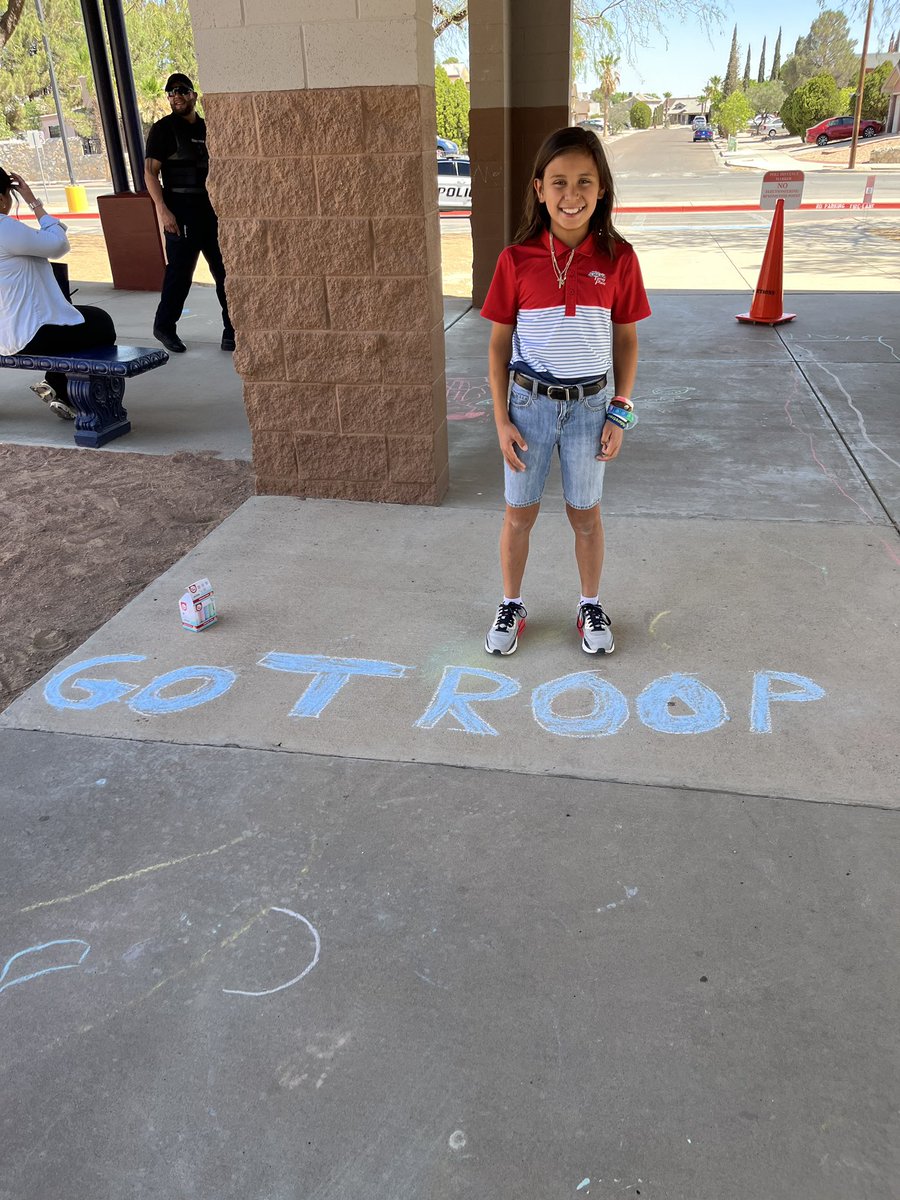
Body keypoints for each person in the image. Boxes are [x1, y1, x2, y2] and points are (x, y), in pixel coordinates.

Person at [480, 126, 651, 657]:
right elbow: (497, 347)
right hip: (529, 406)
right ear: (538, 189)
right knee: (519, 513)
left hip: (591, 408)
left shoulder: (618, 258)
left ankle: (589, 603)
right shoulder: (516, 260)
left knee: (586, 514)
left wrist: (619, 410)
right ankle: (511, 603)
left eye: (584, 182)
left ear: (601, 190)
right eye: (558, 182)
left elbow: (625, 340)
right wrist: (502, 419)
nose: (571, 195)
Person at [0, 167, 116, 420]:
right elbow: (58, 245)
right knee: (101, 323)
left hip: (4, 332)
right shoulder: (5, 228)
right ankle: (66, 390)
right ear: (2, 199)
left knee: (80, 320)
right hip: (28, 334)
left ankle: (57, 385)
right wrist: (34, 202)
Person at [145, 72, 234, 354]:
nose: (177, 96)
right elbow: (150, 173)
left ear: (193, 95)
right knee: (180, 274)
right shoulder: (163, 130)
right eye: (171, 92)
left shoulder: (208, 128)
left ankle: (231, 329)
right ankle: (165, 326)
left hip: (210, 210)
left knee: (224, 272)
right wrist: (163, 211)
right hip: (179, 212)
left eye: (182, 91)